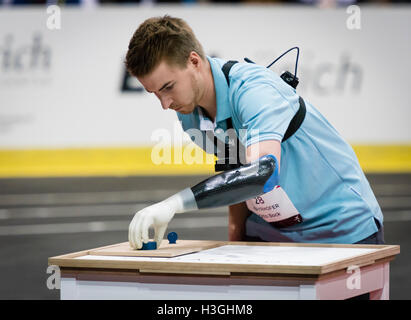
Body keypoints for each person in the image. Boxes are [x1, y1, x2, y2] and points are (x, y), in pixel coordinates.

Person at [125, 15, 384, 250]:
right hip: (272, 237)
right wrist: (236, 243)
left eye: (168, 87)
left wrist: (174, 204)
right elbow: (235, 174)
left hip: (341, 232)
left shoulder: (254, 91)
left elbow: (261, 175)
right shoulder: (189, 115)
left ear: (194, 61)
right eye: (155, 93)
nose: (165, 104)